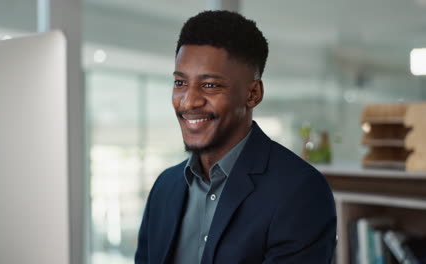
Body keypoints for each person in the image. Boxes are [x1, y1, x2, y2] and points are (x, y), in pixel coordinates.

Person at [135, 10, 337, 264]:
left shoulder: (300, 191)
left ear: (253, 94)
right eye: (180, 83)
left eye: (210, 85)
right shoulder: (165, 187)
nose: (189, 101)